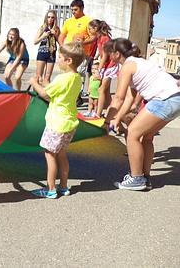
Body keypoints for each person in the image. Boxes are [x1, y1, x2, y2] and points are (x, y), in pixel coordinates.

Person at [104, 38, 180, 191]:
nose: (107, 56)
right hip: (175, 98)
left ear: (117, 54)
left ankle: (137, 178)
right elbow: (130, 99)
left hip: (163, 99)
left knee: (132, 133)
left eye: (109, 53)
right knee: (147, 137)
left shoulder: (127, 67)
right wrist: (117, 118)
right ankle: (144, 177)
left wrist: (107, 121)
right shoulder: (138, 63)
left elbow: (118, 98)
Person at [28, 42, 85, 198]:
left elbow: (46, 95)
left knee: (50, 154)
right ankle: (64, 186)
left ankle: (51, 189)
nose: (57, 59)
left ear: (68, 61)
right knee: (61, 154)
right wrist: (46, 84)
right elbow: (57, 90)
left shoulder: (62, 78)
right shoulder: (77, 77)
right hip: (69, 123)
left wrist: (34, 83)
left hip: (57, 124)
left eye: (60, 57)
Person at [94, 22, 116, 117]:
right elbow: (102, 53)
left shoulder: (105, 39)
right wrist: (97, 55)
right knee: (106, 91)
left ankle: (98, 114)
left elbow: (105, 57)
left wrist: (98, 70)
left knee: (101, 89)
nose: (89, 31)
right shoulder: (99, 38)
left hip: (111, 65)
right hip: (107, 65)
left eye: (90, 29)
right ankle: (110, 112)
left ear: (96, 28)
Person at [34, 10, 60, 85]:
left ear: (55, 19)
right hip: (42, 52)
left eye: (52, 17)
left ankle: (44, 95)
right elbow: (35, 42)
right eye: (48, 17)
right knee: (38, 77)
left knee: (47, 77)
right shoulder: (42, 28)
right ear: (46, 18)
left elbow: (60, 42)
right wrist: (43, 36)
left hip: (52, 53)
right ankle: (36, 94)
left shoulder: (57, 29)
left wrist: (55, 35)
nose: (50, 19)